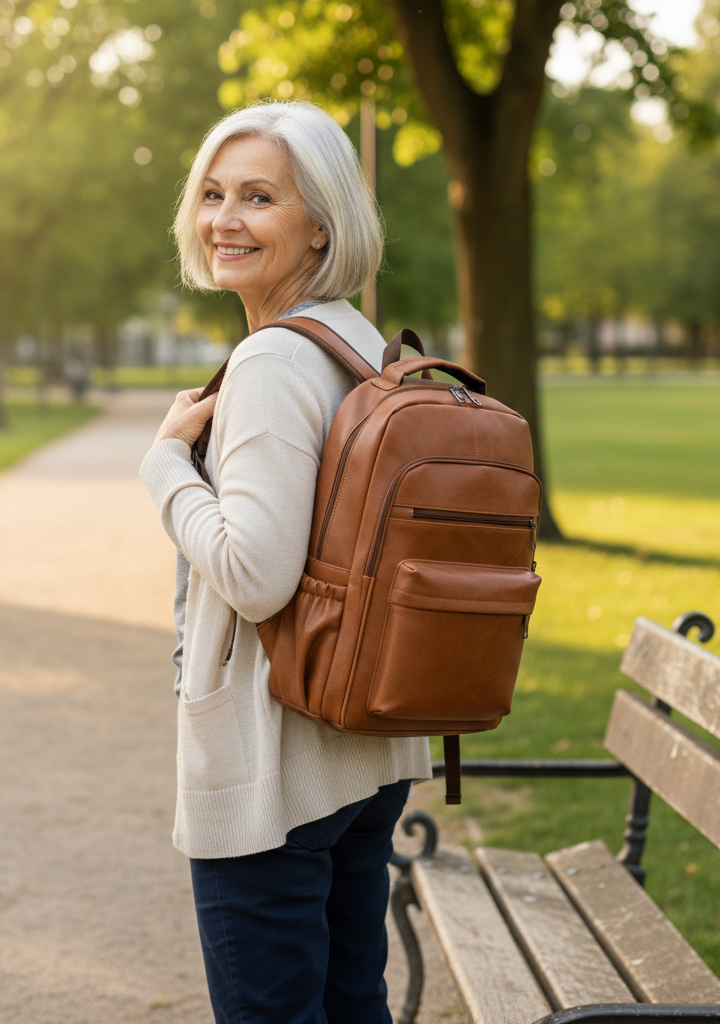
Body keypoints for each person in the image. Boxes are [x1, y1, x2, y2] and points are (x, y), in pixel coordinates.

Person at [139, 101, 432, 1024]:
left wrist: (163, 469)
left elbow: (254, 573)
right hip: (361, 751)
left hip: (276, 763)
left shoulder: (273, 361)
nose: (225, 219)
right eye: (214, 193)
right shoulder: (354, 341)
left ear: (320, 224)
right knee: (351, 1004)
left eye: (259, 196)